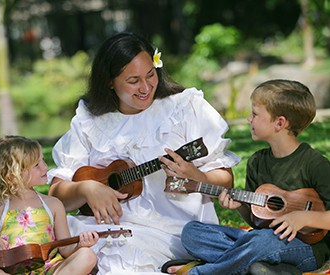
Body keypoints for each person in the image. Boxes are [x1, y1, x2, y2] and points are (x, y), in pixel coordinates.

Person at [47, 32, 241, 274]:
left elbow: (226, 181)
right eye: (133, 80)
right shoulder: (90, 119)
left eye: (151, 75)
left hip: (170, 231)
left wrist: (198, 177)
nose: (146, 87)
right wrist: (86, 189)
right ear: (109, 81)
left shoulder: (184, 107)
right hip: (102, 227)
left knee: (119, 262)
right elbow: (56, 195)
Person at [162, 79, 330, 275]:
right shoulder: (257, 162)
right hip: (262, 241)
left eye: (255, 114)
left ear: (280, 123)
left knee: (262, 242)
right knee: (192, 233)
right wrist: (240, 206)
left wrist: (303, 217)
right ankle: (269, 270)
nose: (249, 119)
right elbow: (257, 221)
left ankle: (201, 272)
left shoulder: (314, 163)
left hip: (307, 249)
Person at [0, 136, 100, 275]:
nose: (45, 166)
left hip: (52, 269)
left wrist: (80, 245)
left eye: (42, 160)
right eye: (37, 165)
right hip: (13, 271)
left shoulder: (53, 204)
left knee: (87, 255)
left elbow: (65, 248)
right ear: (12, 176)